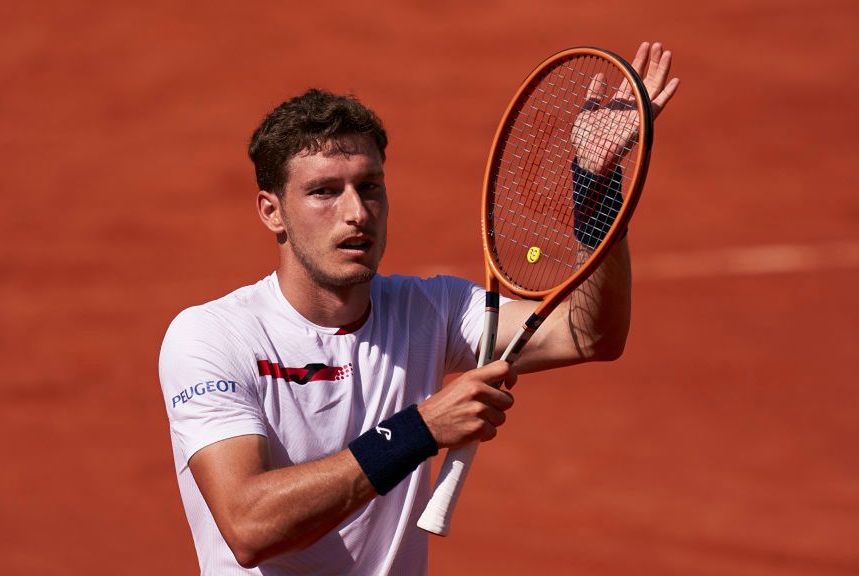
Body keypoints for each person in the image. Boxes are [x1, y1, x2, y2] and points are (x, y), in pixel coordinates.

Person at [160, 42, 679, 575]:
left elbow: (589, 334)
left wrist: (594, 183)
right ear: (272, 212)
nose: (356, 213)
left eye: (370, 188)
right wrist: (421, 428)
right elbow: (250, 528)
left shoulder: (433, 310)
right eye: (324, 192)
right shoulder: (212, 337)